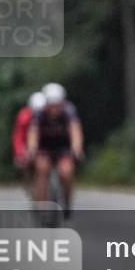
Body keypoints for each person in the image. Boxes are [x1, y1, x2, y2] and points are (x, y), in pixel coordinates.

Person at [27, 83, 84, 218]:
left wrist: (77, 149)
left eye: (57, 105)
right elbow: (33, 132)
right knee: (41, 169)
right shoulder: (39, 113)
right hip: (44, 148)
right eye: (51, 105)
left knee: (66, 172)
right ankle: (42, 206)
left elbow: (75, 130)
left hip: (63, 148)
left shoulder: (69, 111)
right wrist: (32, 149)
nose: (54, 109)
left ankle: (67, 202)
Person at [13, 92, 45, 170]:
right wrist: (20, 152)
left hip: (46, 147)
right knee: (24, 162)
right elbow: (18, 136)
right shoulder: (24, 117)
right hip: (30, 147)